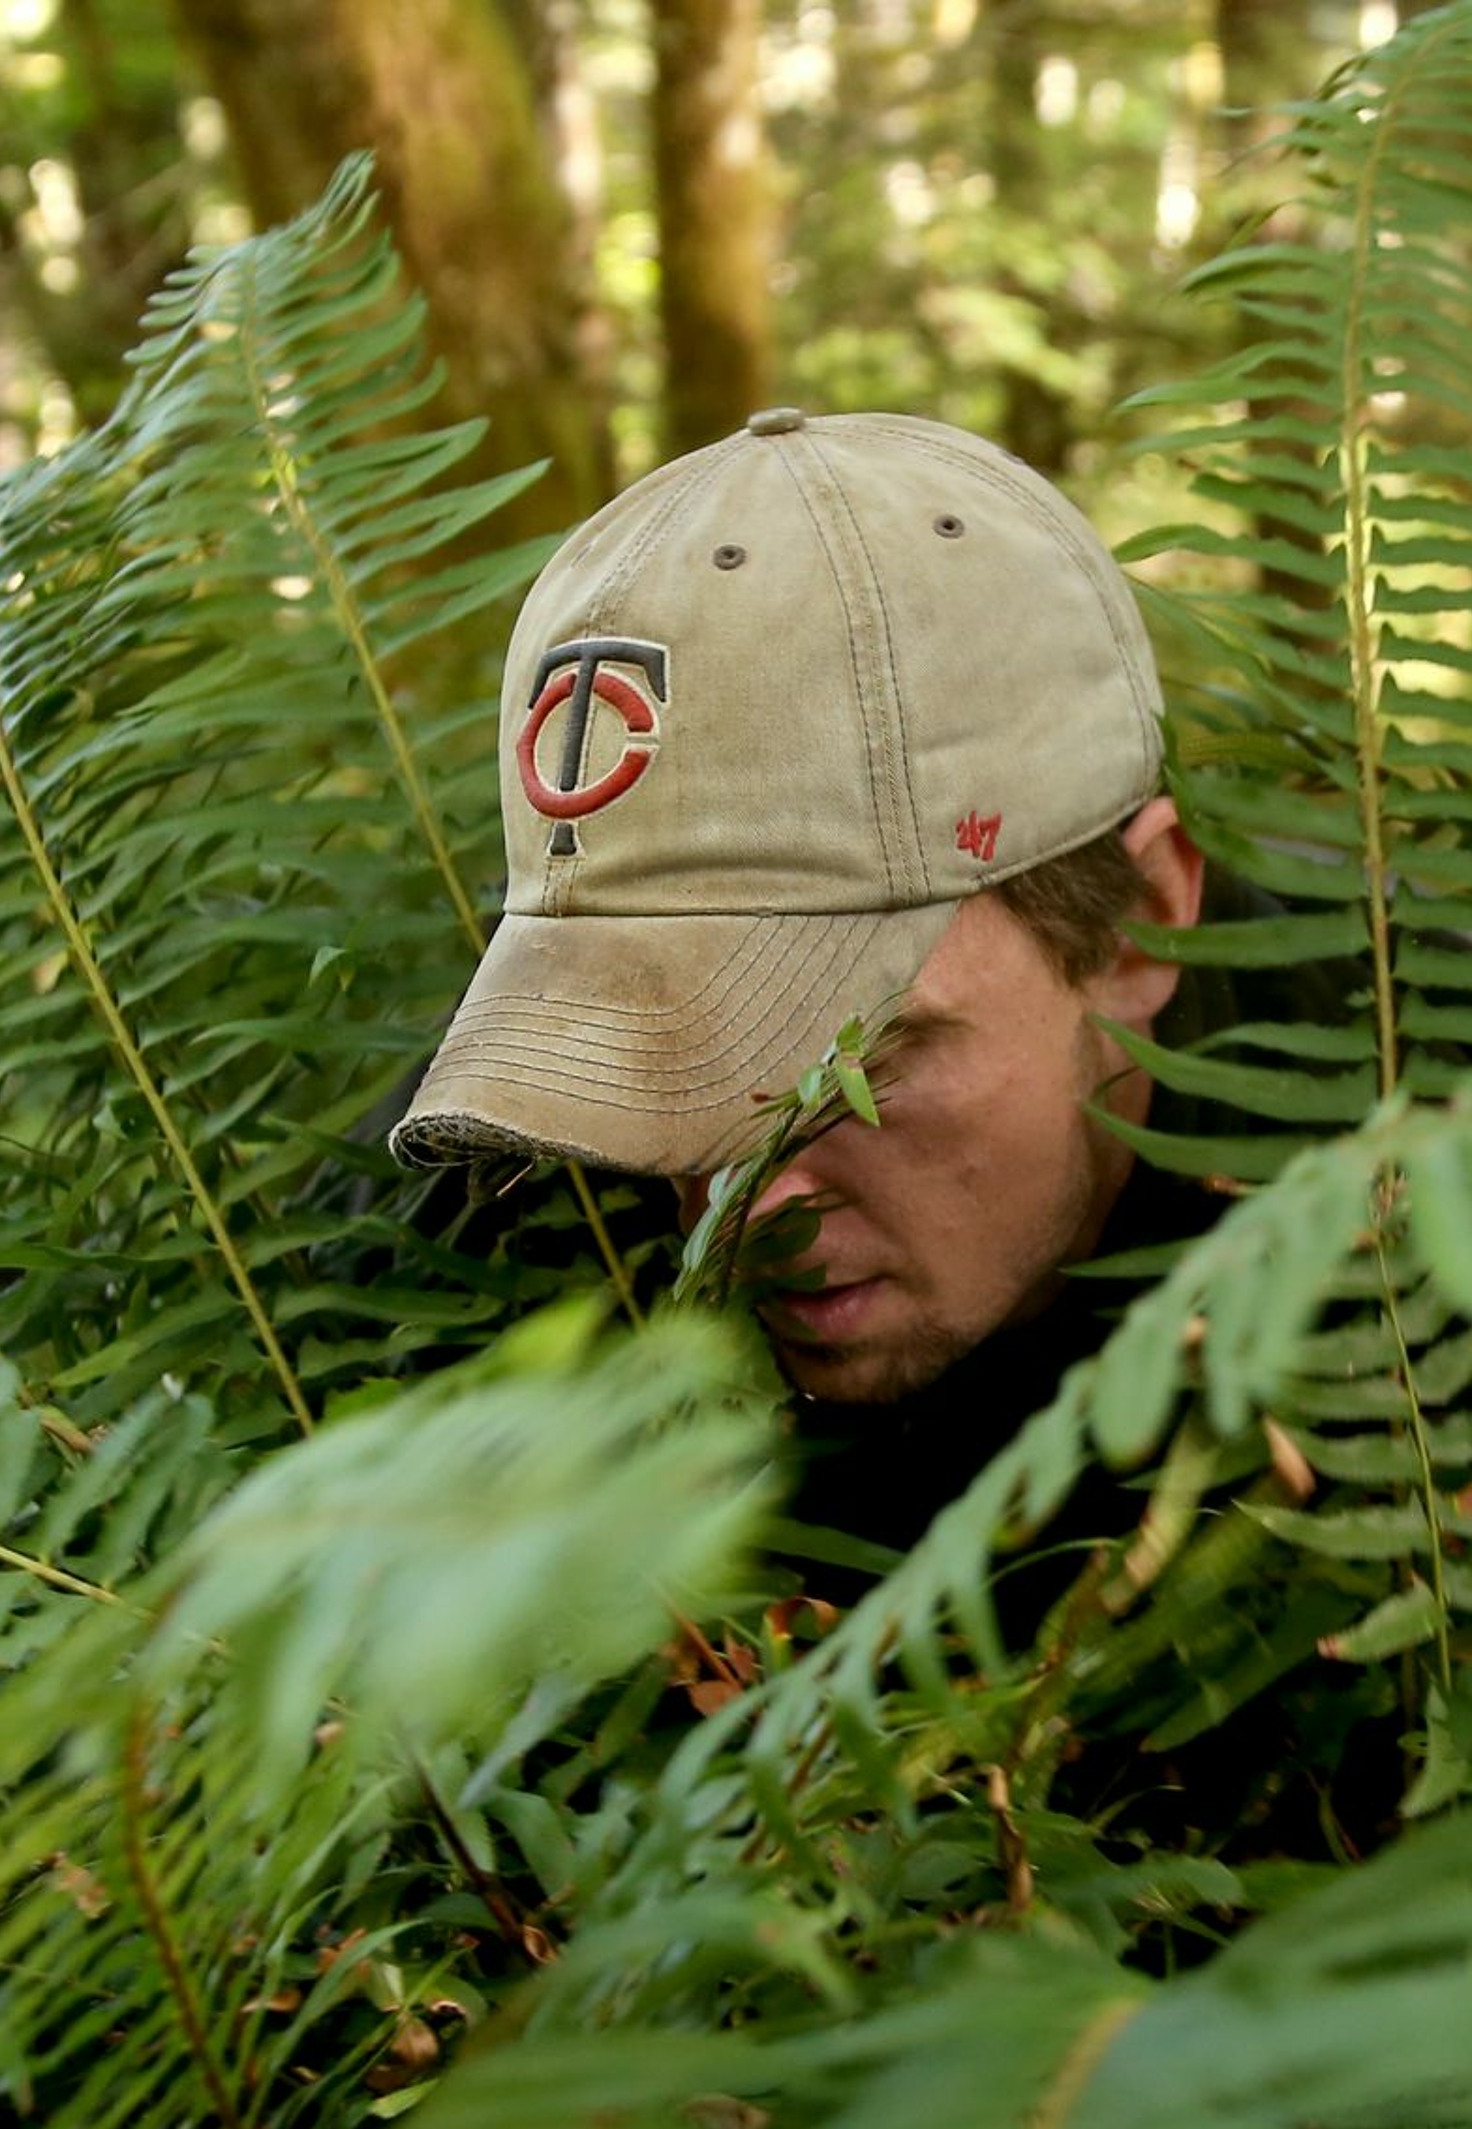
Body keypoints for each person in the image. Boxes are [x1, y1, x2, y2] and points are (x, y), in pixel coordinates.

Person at [389, 406, 1251, 1579]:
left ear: (1143, 929)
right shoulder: (493, 1204)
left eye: (859, 1068)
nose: (747, 1203)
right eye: (652, 1051)